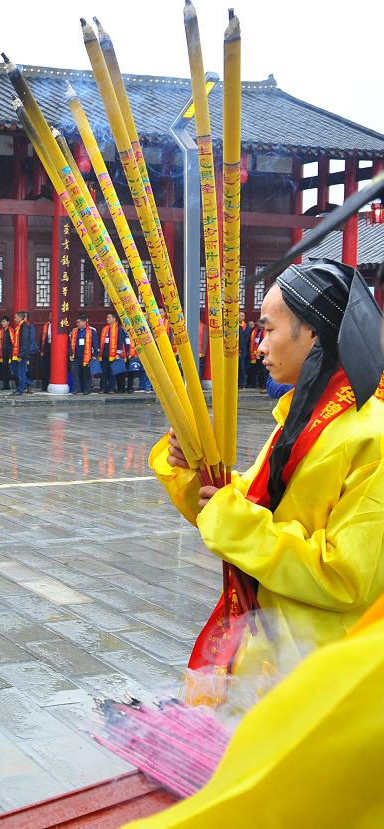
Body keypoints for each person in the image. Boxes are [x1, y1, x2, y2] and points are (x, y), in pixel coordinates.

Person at [156, 260, 384, 701]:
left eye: (268, 330)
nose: (258, 346)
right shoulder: (303, 417)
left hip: (321, 672)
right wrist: (194, 474)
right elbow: (245, 509)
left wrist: (233, 518)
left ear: (314, 334)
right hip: (268, 653)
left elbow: (347, 576)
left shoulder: (370, 436)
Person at [69, 314, 96, 395]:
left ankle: (86, 389)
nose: (78, 324)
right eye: (77, 322)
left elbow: (95, 344)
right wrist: (70, 354)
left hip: (86, 356)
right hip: (76, 356)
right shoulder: (74, 331)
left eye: (79, 322)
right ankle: (77, 389)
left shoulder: (91, 331)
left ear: (85, 322)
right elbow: (70, 344)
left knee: (86, 374)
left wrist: (95, 355)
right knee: (75, 373)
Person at [11, 311, 34, 395]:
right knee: (16, 372)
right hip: (17, 354)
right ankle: (30, 383)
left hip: (22, 355)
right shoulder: (19, 327)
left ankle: (20, 390)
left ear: (20, 318)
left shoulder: (24, 328)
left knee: (21, 373)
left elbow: (24, 343)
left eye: (15, 317)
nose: (14, 319)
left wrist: (20, 355)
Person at [99, 312, 122, 394]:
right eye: (107, 317)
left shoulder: (118, 329)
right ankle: (103, 388)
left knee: (112, 372)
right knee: (104, 372)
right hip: (104, 353)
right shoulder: (104, 329)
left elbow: (120, 342)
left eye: (109, 317)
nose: (107, 319)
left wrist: (118, 354)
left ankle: (111, 388)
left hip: (113, 354)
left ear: (114, 319)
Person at [0, 314, 14, 391]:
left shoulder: (12, 330)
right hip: (3, 354)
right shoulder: (0, 332)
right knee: (4, 370)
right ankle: (6, 385)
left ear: (8, 322)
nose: (2, 323)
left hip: (10, 353)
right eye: (2, 322)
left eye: (4, 322)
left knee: (13, 369)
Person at [249, 319, 267, 391]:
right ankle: (251, 384)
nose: (261, 324)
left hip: (263, 353)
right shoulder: (253, 331)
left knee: (264, 370)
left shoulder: (267, 331)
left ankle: (263, 385)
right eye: (260, 322)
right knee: (252, 369)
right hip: (253, 353)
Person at [37, 313, 54, 390]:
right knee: (45, 369)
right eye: (50, 315)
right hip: (47, 349)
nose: (51, 317)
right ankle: (45, 386)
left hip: (56, 349)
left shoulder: (60, 325)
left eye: (52, 315)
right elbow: (42, 339)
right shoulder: (46, 326)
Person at [238, 310, 251, 388]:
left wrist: (241, 328)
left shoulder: (246, 325)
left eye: (242, 316)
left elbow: (246, 335)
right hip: (234, 346)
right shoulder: (233, 324)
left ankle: (242, 382)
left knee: (242, 366)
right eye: (240, 315)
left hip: (243, 347)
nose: (241, 317)